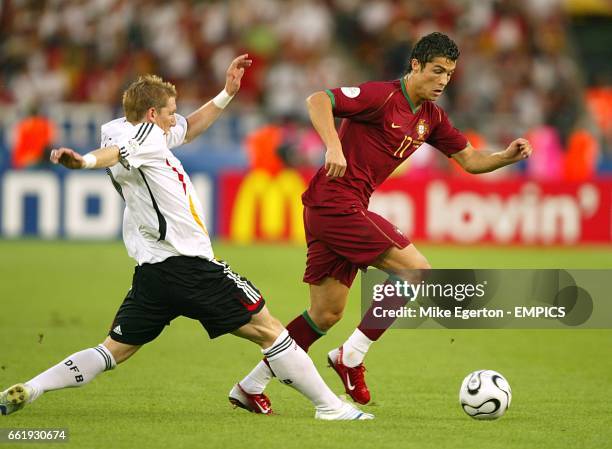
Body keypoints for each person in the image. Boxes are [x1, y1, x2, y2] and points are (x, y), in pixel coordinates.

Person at [0, 55, 372, 421]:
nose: (175, 117)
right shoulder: (142, 138)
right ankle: (330, 407)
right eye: (169, 111)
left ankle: (34, 387)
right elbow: (114, 153)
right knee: (270, 330)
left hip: (153, 273)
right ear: (151, 115)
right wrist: (82, 162)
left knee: (111, 351)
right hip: (190, 266)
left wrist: (226, 94)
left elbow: (186, 129)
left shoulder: (125, 127)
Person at [233, 33, 533, 409]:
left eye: (450, 74)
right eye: (436, 70)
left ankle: (250, 385)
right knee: (417, 270)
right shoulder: (382, 96)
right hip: (336, 202)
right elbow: (318, 100)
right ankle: (351, 356)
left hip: (336, 207)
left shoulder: (432, 118)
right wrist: (333, 144)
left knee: (325, 314)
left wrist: (506, 156)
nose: (442, 80)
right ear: (416, 66)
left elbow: (471, 161)